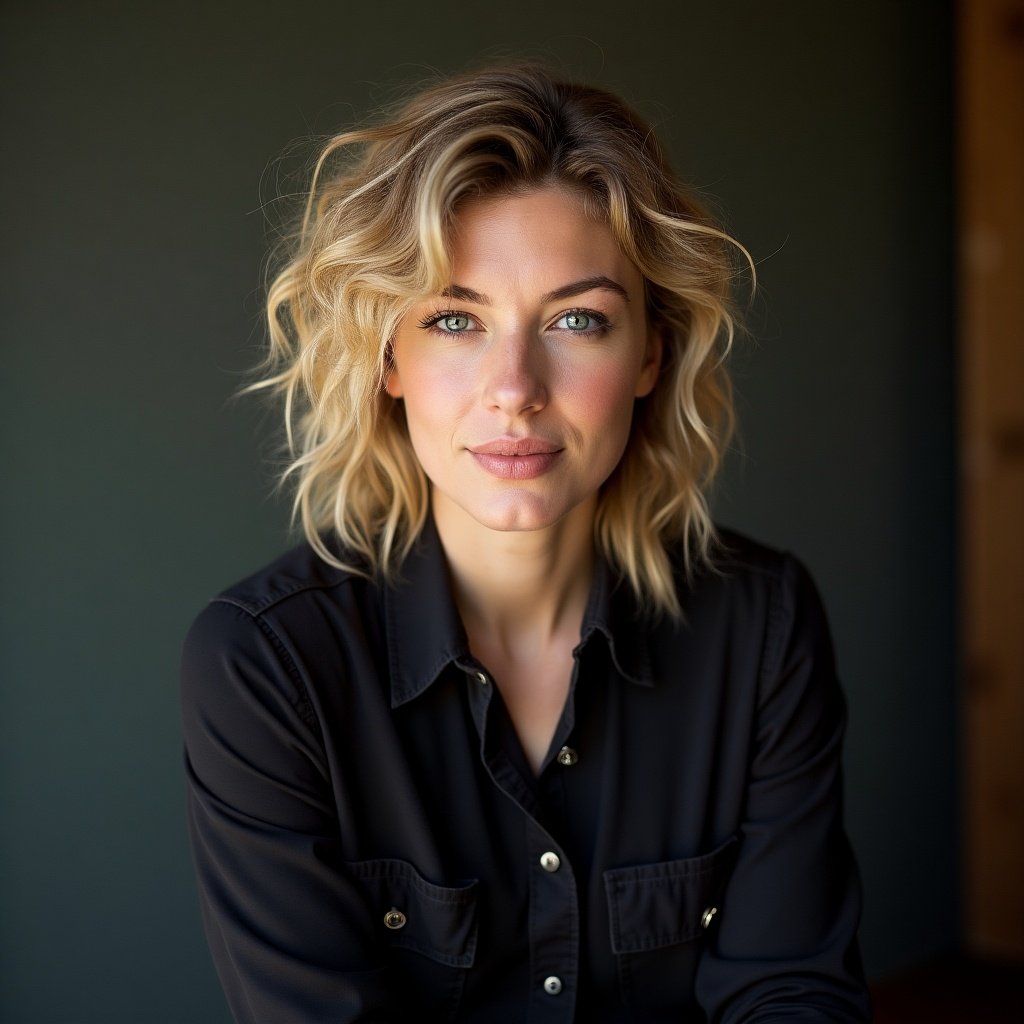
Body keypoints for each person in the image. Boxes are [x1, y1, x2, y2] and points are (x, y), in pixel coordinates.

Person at [181, 64, 870, 1023]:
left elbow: (791, 992)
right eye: (455, 319)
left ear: (650, 354)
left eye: (577, 320)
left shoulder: (761, 624)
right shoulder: (267, 666)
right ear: (389, 358)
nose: (516, 386)